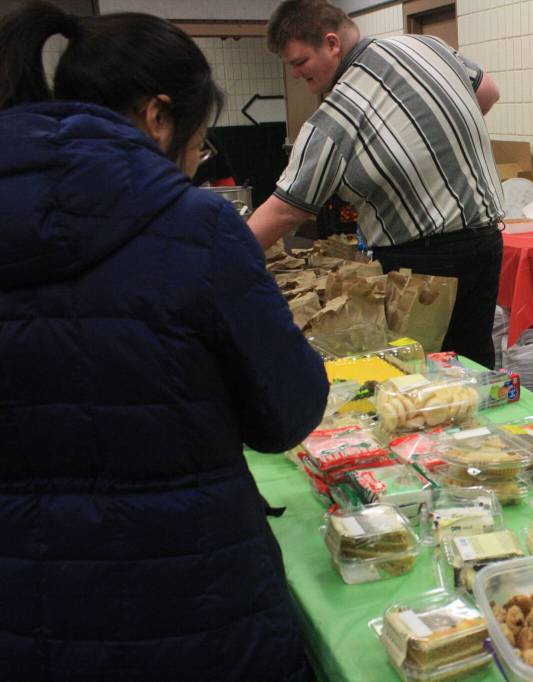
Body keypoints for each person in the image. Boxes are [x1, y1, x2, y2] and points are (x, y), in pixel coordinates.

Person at [0, 4, 327, 680]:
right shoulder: (196, 226)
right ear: (157, 115)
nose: (193, 162)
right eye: (199, 142)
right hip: (197, 608)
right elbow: (289, 414)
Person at [249, 0, 505, 368]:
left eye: (300, 62)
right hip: (487, 241)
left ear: (332, 43)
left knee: (419, 374)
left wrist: (225, 257)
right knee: (474, 364)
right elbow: (488, 94)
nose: (295, 74)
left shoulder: (338, 114)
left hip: (421, 264)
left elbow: (286, 210)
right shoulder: (427, 45)